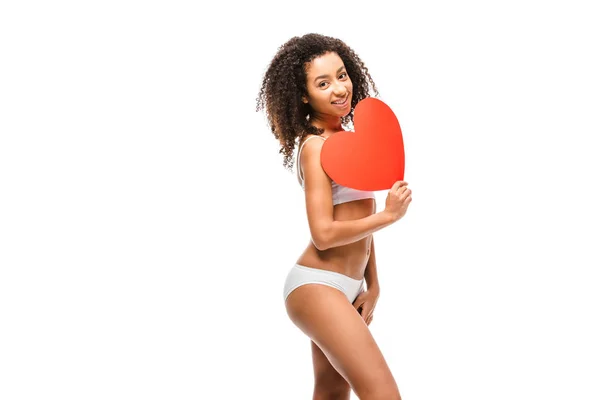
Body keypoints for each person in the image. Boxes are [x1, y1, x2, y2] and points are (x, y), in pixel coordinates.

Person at [256, 33, 412, 400]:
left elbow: (361, 221)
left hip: (348, 287)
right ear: (303, 95)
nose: (339, 88)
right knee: (382, 393)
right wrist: (389, 216)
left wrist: (372, 285)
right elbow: (325, 234)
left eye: (342, 75)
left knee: (330, 392)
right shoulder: (315, 147)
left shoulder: (351, 142)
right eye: (323, 83)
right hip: (317, 286)